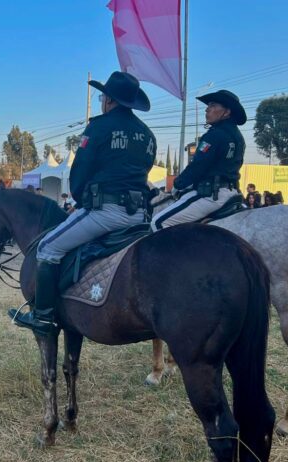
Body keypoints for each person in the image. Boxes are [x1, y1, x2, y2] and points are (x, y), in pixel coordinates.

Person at [12, 71, 155, 335]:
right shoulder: (147, 135)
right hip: (140, 216)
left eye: (103, 97)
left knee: (46, 248)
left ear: (110, 101)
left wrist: (82, 199)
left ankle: (43, 317)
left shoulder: (99, 127)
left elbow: (79, 173)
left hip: (106, 212)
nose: (102, 101)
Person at [151, 89, 246, 230]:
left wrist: (178, 184)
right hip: (233, 193)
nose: (207, 109)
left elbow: (198, 166)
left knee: (158, 223)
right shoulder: (238, 137)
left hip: (212, 195)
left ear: (227, 112)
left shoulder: (214, 135)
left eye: (213, 105)